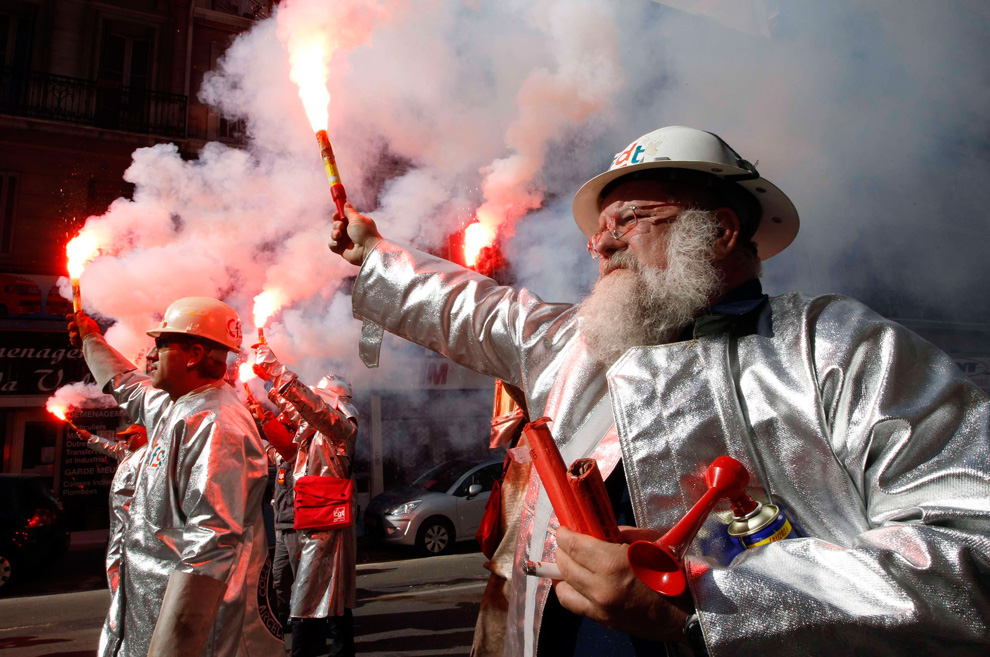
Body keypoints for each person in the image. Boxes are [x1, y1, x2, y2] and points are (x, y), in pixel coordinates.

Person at [327, 126, 990, 655]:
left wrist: (707, 600)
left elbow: (970, 547)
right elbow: (474, 309)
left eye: (632, 219)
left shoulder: (838, 348)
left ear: (721, 231)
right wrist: (375, 253)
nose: (600, 243)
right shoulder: (574, 344)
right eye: (599, 227)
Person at [68, 297, 282, 656]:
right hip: (151, 616)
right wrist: (92, 341)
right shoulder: (176, 404)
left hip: (200, 637)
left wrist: (172, 647)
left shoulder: (217, 423)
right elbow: (128, 384)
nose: (151, 355)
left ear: (194, 354)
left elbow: (210, 544)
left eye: (161, 345)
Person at [253, 345, 359, 657]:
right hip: (311, 518)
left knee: (306, 600)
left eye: (320, 398)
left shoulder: (341, 426)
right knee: (323, 598)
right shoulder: (312, 433)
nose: (311, 403)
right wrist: (269, 386)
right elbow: (295, 410)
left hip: (326, 522)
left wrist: (277, 371)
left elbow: (312, 408)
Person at [78, 423, 149, 656]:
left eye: (128, 437)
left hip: (133, 530)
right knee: (115, 573)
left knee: (125, 578)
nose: (124, 442)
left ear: (141, 436)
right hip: (119, 530)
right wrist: (90, 438)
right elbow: (112, 449)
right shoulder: (129, 454)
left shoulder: (146, 457)